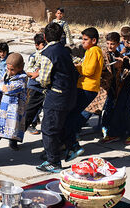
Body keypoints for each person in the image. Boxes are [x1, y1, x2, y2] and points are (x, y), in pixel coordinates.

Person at [34, 23, 78, 173]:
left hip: (57, 95)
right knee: (60, 125)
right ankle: (59, 151)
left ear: (45, 37)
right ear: (61, 36)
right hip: (70, 94)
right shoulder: (65, 51)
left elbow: (44, 79)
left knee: (48, 128)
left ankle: (53, 161)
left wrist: (39, 78)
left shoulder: (47, 53)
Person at [63, 27, 103, 161]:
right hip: (86, 87)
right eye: (82, 39)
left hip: (88, 87)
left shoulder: (93, 51)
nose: (83, 42)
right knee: (73, 115)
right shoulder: (90, 51)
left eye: (85, 40)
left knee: (72, 117)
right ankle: (70, 142)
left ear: (94, 40)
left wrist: (76, 67)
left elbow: (89, 70)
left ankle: (73, 144)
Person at [99, 32, 130, 144]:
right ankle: (106, 128)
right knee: (101, 108)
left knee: (112, 107)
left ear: (117, 44)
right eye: (108, 43)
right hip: (105, 86)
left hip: (116, 86)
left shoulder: (119, 55)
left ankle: (111, 130)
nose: (110, 46)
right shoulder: (103, 54)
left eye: (112, 44)